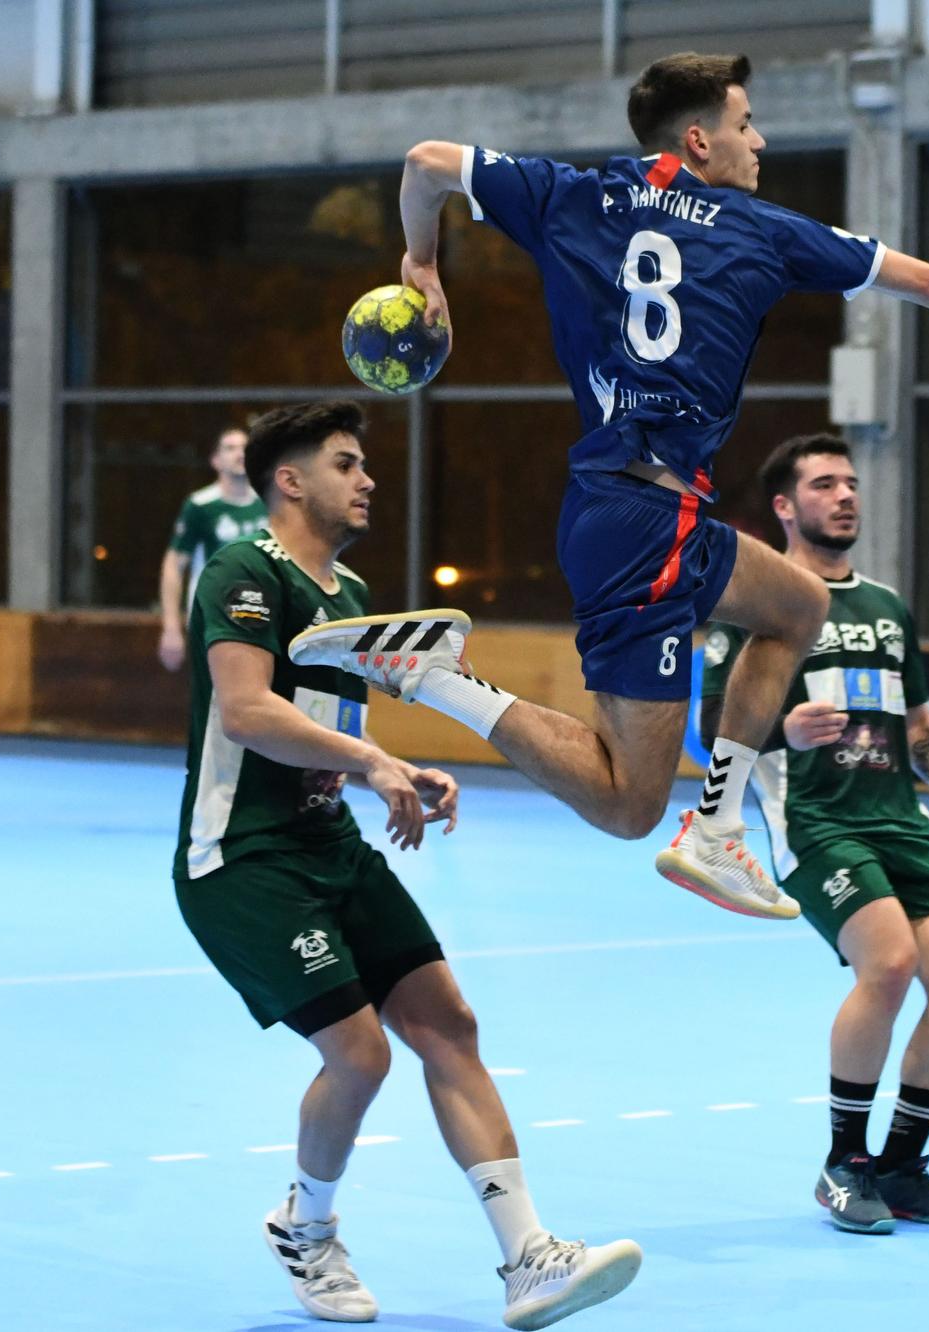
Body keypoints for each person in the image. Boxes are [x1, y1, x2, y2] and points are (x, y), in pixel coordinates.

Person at [298, 51, 929, 924]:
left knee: (799, 605)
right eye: (746, 123)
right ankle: (442, 679)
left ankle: (718, 822)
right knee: (627, 804)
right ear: (698, 139)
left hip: (628, 507)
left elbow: (424, 164)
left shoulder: (571, 193)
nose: (759, 142)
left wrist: (422, 263)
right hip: (650, 520)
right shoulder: (759, 230)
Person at [173, 401, 640, 1329]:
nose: (368, 478)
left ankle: (528, 1258)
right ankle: (305, 1229)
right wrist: (374, 764)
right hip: (243, 859)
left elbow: (331, 726)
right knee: (359, 1053)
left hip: (329, 848)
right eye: (346, 463)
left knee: (449, 1025)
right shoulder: (241, 572)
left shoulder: (350, 597)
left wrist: (400, 769)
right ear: (291, 480)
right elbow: (247, 712)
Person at [698, 433, 929, 1233]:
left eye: (850, 483)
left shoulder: (885, 608)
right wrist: (783, 729)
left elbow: (920, 728)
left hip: (900, 823)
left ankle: (903, 1166)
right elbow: (707, 729)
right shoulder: (752, 606)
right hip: (814, 822)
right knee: (889, 962)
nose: (845, 495)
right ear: (785, 506)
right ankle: (844, 1163)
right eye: (824, 485)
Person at [158, 426, 266, 671]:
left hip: (261, 618)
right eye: (230, 448)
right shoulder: (201, 506)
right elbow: (174, 565)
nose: (240, 454)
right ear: (215, 460)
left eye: (245, 448)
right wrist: (172, 627)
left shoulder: (268, 503)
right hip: (213, 618)